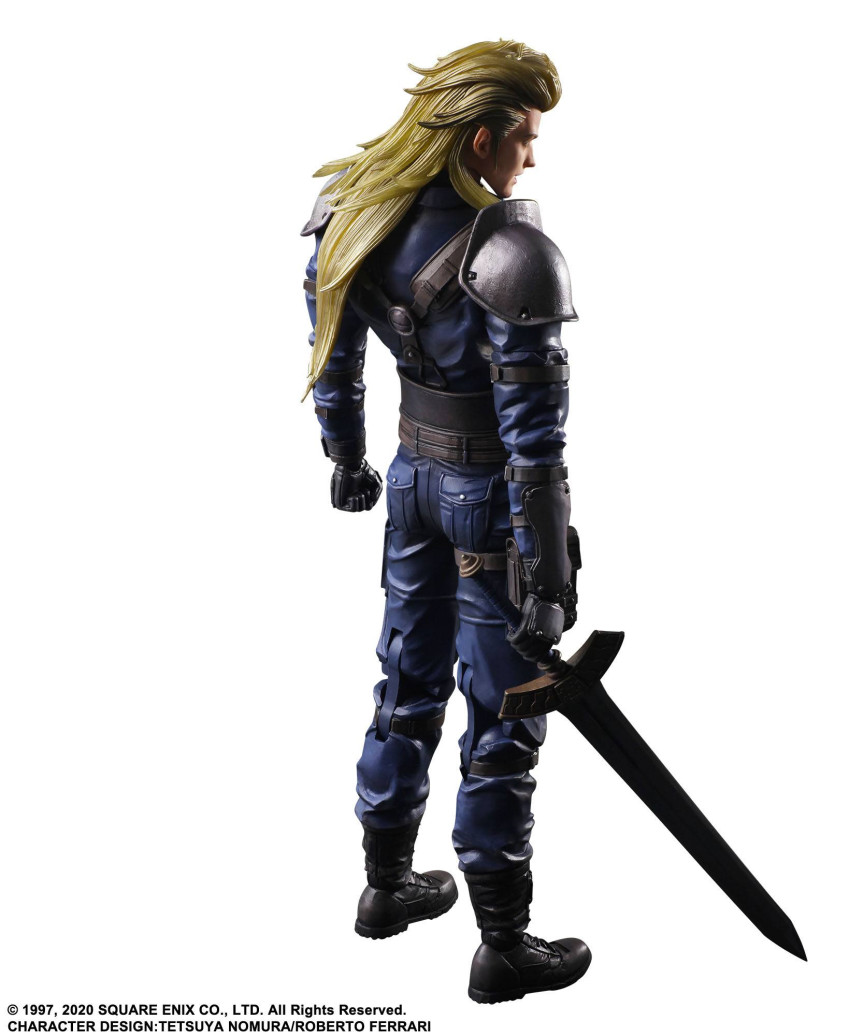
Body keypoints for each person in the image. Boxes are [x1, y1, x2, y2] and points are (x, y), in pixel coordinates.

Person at [301, 40, 588, 1003]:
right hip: (489, 504)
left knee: (407, 683)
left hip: (411, 486)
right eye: (525, 138)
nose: (532, 158)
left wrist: (347, 459)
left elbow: (333, 360)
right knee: (504, 714)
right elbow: (535, 442)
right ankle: (503, 948)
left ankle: (385, 890)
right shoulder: (512, 257)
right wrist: (548, 580)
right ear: (480, 139)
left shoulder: (352, 215)